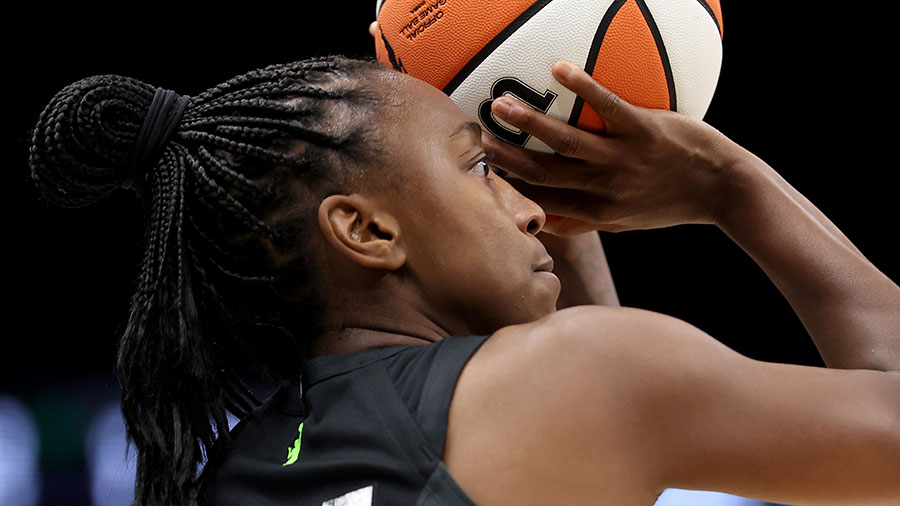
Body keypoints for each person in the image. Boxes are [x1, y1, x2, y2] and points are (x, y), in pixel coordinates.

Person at [27, 54, 899, 506]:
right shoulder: (580, 381)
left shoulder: (228, 473)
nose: (527, 208)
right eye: (481, 168)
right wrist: (725, 182)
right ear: (367, 231)